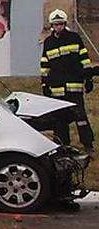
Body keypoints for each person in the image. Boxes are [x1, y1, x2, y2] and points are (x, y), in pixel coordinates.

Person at [41, 9, 94, 151]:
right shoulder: (48, 42)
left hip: (74, 86)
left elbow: (84, 58)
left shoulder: (74, 38)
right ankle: (62, 145)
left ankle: (88, 144)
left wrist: (88, 78)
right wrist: (45, 84)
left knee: (80, 117)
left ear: (65, 24)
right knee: (59, 119)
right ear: (52, 25)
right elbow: (45, 64)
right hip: (56, 88)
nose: (58, 27)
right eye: (56, 24)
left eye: (60, 24)